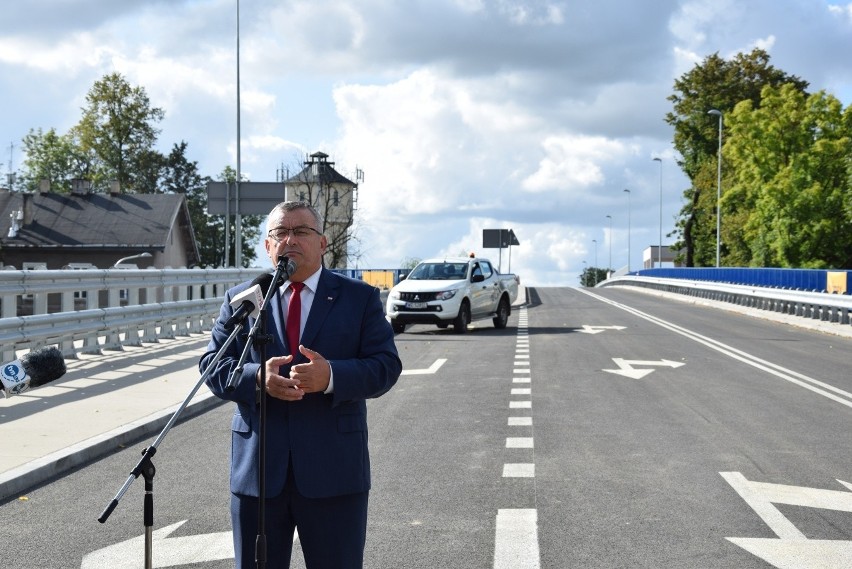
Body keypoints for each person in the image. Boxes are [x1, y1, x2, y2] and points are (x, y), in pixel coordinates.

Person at [201, 200, 402, 569]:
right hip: (259, 475)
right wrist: (257, 379)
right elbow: (212, 366)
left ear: (322, 243)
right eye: (280, 233)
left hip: (334, 473)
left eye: (301, 232)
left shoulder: (359, 298)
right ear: (267, 246)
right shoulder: (242, 300)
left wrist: (332, 377)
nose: (289, 240)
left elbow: (386, 366)